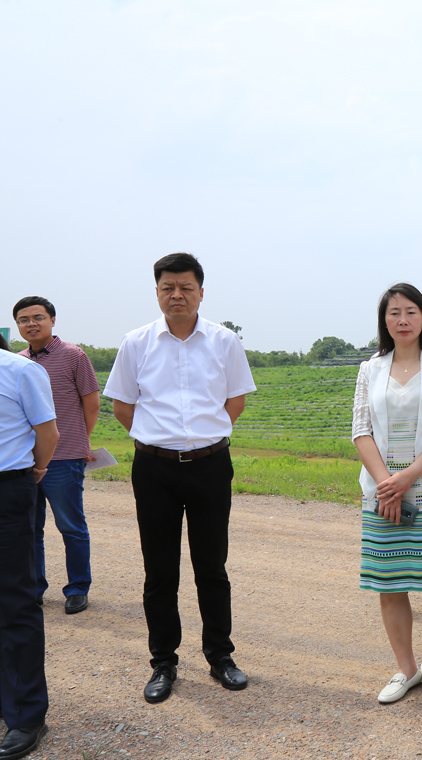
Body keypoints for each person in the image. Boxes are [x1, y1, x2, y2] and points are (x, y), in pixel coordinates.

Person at [103, 252, 257, 704]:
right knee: (159, 569)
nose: (177, 295)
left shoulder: (224, 342)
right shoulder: (136, 342)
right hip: (154, 468)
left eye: (186, 287)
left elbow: (234, 402)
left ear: (201, 292)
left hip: (210, 465)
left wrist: (199, 440)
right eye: (168, 287)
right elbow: (123, 407)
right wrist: (161, 441)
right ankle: (163, 663)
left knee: (212, 566)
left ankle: (220, 656)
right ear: (157, 292)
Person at [352, 283, 422, 703]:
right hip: (381, 492)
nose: (403, 320)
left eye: (411, 312)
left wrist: (407, 478)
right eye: (394, 313)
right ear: (384, 321)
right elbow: (360, 430)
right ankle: (405, 668)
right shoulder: (371, 368)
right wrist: (387, 483)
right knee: (390, 583)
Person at [13, 296, 100, 616]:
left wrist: (81, 441)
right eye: (23, 319)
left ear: (52, 320)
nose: (31, 324)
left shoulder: (73, 356)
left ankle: (78, 588)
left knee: (70, 526)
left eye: (38, 317)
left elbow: (91, 403)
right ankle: (34, 587)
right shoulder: (18, 361)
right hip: (24, 459)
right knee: (28, 528)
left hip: (64, 457)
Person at [0, 342, 57, 759]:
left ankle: (26, 716)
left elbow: (48, 432)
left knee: (15, 602)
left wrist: (36, 470)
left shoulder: (19, 371)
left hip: (7, 489)